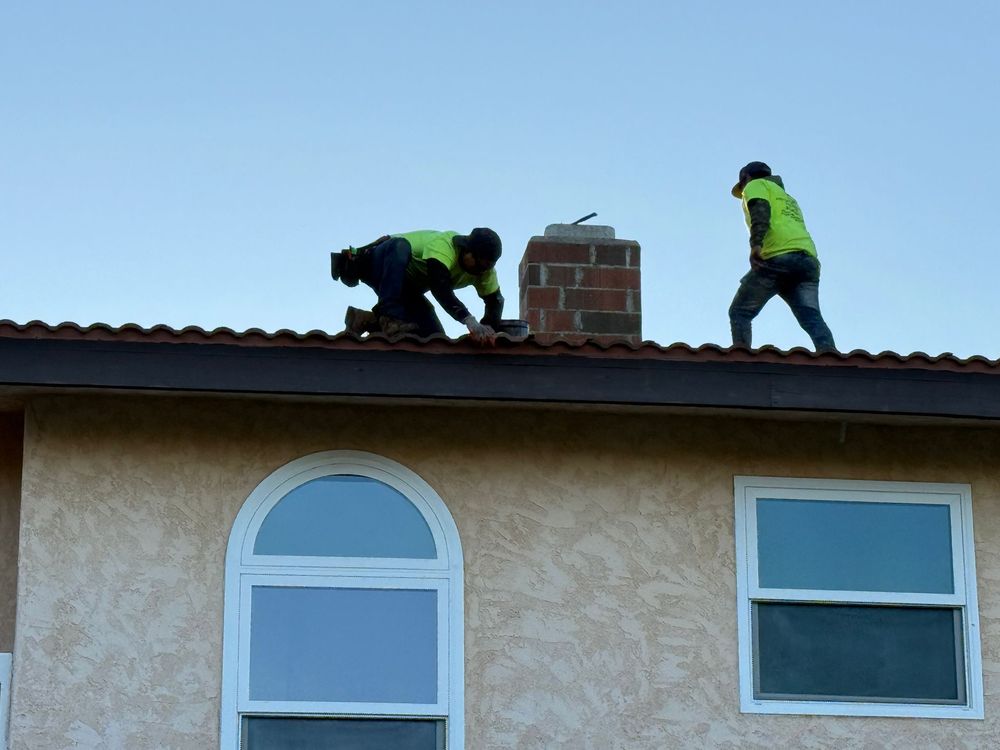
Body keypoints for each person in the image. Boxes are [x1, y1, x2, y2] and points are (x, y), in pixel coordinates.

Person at [728, 161, 836, 352]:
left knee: (740, 311)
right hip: (807, 261)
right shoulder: (787, 198)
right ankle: (830, 357)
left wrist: (756, 246)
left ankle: (740, 363)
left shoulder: (755, 186)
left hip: (779, 256)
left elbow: (760, 212)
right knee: (811, 317)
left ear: (745, 177)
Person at [331, 228, 504, 343]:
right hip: (380, 262)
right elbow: (440, 287)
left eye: (486, 267)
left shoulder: (484, 272)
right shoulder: (445, 247)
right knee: (400, 246)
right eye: (479, 264)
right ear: (467, 250)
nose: (481, 271)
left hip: (404, 286)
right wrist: (469, 320)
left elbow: (495, 302)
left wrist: (488, 331)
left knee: (434, 338)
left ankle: (364, 320)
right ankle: (389, 318)